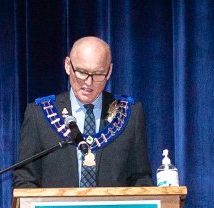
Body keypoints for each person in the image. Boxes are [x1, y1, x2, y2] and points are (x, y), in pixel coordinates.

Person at [13, 36, 153, 188]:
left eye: (98, 74)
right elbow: (25, 182)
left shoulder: (128, 114)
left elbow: (141, 180)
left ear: (109, 71)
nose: (88, 82)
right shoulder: (40, 114)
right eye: (81, 72)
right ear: (68, 65)